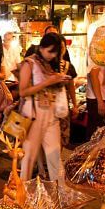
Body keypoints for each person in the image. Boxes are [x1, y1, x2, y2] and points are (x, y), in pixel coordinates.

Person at [18, 33, 71, 181]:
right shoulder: (29, 63)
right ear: (41, 47)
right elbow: (23, 91)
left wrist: (59, 81)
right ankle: (22, 194)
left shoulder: (50, 64)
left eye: (55, 53)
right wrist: (48, 82)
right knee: (28, 157)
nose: (52, 55)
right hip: (34, 116)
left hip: (51, 115)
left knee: (55, 157)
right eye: (50, 51)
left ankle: (60, 194)